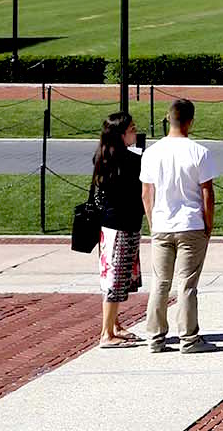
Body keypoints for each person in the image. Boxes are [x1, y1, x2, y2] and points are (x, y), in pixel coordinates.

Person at [139, 98, 216, 354]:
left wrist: (152, 222)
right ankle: (189, 338)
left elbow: (146, 193)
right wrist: (209, 223)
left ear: (167, 118)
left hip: (162, 224)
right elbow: (207, 193)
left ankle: (155, 338)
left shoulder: (152, 152)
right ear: (190, 122)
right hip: (191, 224)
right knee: (187, 284)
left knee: (160, 283)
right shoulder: (199, 152)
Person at [90, 111, 144, 348]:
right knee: (116, 278)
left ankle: (115, 324)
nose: (136, 132)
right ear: (122, 134)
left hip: (110, 225)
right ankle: (106, 333)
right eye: (132, 129)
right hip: (122, 225)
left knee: (116, 277)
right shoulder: (128, 161)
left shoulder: (104, 156)